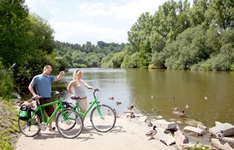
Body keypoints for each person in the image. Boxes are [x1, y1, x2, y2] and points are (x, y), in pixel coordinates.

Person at [28, 65, 65, 131]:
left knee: (51, 114)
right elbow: (30, 86)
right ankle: (38, 128)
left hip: (49, 98)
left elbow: (57, 78)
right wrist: (34, 95)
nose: (49, 72)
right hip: (40, 99)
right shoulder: (37, 77)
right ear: (44, 69)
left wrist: (60, 74)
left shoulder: (49, 77)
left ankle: (50, 128)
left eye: (50, 71)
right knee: (39, 115)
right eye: (48, 70)